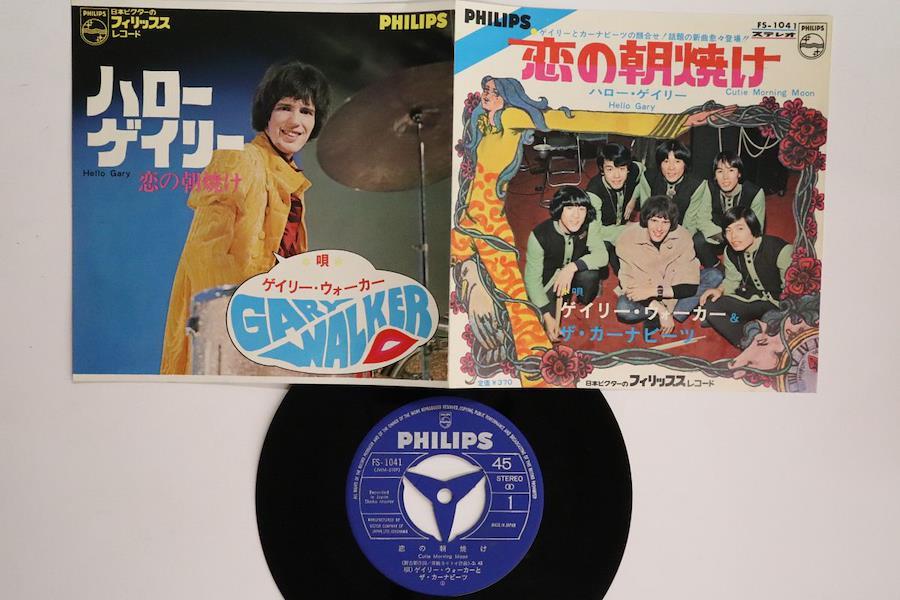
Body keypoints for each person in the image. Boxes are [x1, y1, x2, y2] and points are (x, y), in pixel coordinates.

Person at [451, 74, 727, 385]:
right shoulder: (482, 121)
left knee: (514, 300)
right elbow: (590, 250)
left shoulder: (514, 116)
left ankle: (531, 363)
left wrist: (677, 123)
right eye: (485, 89)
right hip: (476, 221)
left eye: (494, 90)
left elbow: (596, 121)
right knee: (500, 298)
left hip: (486, 219)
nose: (487, 94)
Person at [160, 60, 332, 374]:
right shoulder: (239, 158)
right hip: (230, 333)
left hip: (268, 332)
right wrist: (240, 326)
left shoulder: (290, 180)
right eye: (285, 107)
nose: (295, 121)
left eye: (306, 111)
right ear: (267, 112)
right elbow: (205, 255)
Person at [615, 195, 723, 334]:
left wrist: (655, 293)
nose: (659, 228)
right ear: (645, 220)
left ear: (671, 224)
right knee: (624, 309)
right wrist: (661, 309)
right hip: (645, 292)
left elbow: (690, 286)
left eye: (665, 222)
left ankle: (671, 312)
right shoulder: (627, 238)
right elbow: (629, 286)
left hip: (671, 289)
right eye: (654, 220)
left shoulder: (683, 236)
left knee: (715, 275)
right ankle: (675, 311)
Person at [699, 206, 792, 347]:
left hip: (778, 305)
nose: (733, 236)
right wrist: (719, 290)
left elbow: (792, 292)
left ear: (753, 228)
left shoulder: (780, 249)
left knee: (774, 321)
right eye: (728, 231)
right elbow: (732, 280)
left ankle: (759, 327)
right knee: (709, 304)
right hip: (752, 300)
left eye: (740, 229)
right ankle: (746, 341)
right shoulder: (729, 251)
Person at [524, 186, 608, 341]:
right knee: (538, 324)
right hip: (550, 280)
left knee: (590, 278)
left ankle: (580, 294)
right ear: (559, 209)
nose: (576, 216)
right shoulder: (539, 236)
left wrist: (571, 268)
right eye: (569, 208)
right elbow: (532, 280)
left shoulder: (589, 224)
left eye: (581, 209)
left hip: (576, 272)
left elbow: (602, 256)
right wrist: (547, 316)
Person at [647, 140, 721, 268]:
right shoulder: (649, 178)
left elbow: (690, 224)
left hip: (683, 234)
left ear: (685, 164)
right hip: (656, 232)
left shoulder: (697, 185)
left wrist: (675, 248)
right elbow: (646, 215)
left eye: (677, 161)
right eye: (666, 161)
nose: (671, 167)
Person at [584, 142, 650, 272]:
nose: (617, 176)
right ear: (602, 170)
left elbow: (643, 170)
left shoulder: (633, 170)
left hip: (620, 224)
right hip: (603, 231)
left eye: (621, 168)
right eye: (610, 169)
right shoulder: (594, 192)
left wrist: (633, 199)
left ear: (628, 168)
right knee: (610, 251)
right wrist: (626, 229)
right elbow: (594, 233)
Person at [709, 150, 766, 233]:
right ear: (715, 176)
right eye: (720, 171)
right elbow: (702, 221)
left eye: (731, 170)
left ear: (739, 173)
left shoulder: (754, 193)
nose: (725, 177)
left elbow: (756, 230)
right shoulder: (709, 190)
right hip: (716, 235)